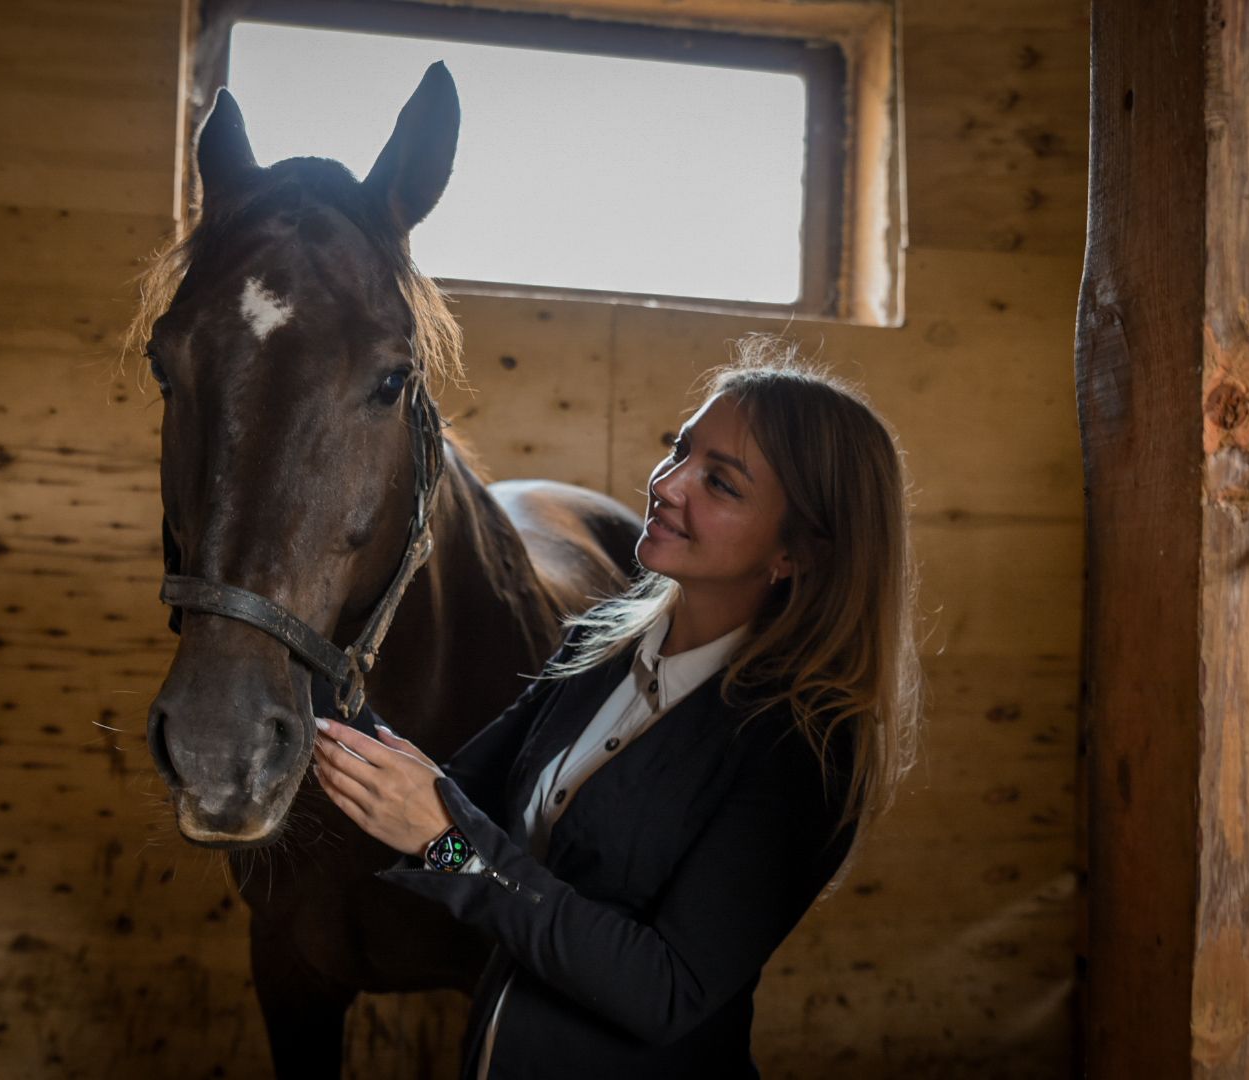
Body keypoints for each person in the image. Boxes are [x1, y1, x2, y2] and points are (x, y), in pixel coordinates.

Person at [311, 336, 923, 1079]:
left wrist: (455, 846)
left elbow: (665, 990)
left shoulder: (803, 748)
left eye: (720, 483)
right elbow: (454, 798)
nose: (666, 485)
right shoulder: (601, 650)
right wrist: (298, 667)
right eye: (681, 451)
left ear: (797, 553)